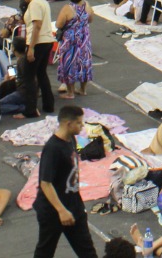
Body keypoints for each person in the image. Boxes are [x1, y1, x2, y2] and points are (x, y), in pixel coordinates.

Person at [34, 105, 99, 258]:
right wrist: (61, 211)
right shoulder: (52, 148)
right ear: (68, 124)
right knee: (45, 251)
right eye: (79, 123)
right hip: (53, 210)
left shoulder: (71, 139)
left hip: (73, 205)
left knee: (87, 251)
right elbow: (45, 183)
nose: (82, 126)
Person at [22, 0, 57, 115]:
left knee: (29, 76)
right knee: (41, 73)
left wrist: (31, 47)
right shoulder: (44, 2)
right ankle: (49, 104)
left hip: (38, 42)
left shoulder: (35, 4)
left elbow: (37, 26)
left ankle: (30, 110)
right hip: (47, 41)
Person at [56, 0, 94, 99]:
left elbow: (59, 24)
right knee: (84, 62)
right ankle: (83, 89)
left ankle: (70, 92)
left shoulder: (68, 8)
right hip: (84, 38)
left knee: (69, 63)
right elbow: (91, 19)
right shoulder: (86, 5)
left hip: (71, 39)